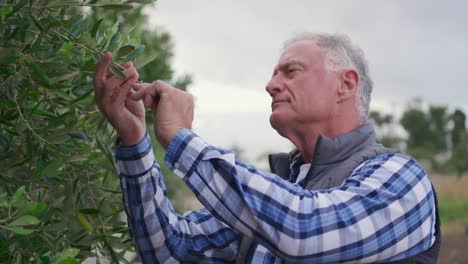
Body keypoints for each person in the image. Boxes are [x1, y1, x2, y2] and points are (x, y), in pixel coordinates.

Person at [94, 33, 440, 263]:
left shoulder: (401, 180)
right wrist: (135, 141)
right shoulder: (280, 193)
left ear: (345, 84)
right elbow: (169, 251)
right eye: (275, 75)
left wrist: (182, 139)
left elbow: (304, 231)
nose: (271, 85)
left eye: (291, 72)